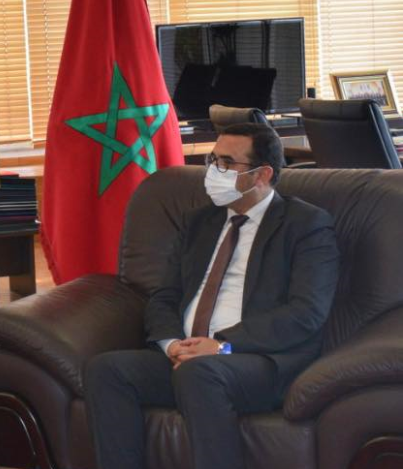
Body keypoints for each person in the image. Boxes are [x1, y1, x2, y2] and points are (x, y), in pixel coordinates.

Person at [83, 124, 340, 469]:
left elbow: (306, 313)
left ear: (262, 174)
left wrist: (221, 346)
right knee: (106, 370)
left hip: (258, 360)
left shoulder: (306, 225)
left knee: (199, 374)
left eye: (226, 163)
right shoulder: (200, 221)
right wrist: (172, 344)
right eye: (212, 159)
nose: (213, 171)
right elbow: (165, 295)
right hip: (188, 356)